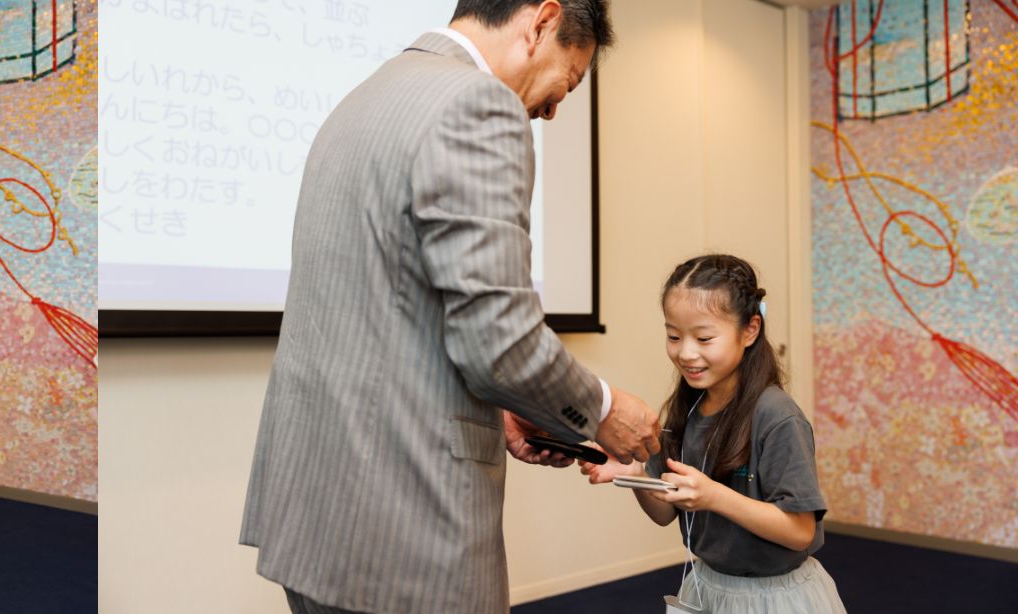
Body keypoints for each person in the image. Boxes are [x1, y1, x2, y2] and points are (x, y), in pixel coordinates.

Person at [238, 1, 661, 612]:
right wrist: (603, 408)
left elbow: (394, 310)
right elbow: (502, 343)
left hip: (314, 512)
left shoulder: (363, 98)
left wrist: (506, 406)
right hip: (403, 526)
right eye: (565, 82)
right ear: (541, 21)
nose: (550, 110)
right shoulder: (479, 105)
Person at [578, 254, 846, 612]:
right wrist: (636, 476)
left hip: (775, 598)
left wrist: (714, 496)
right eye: (674, 336)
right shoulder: (684, 410)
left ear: (750, 330)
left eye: (704, 338)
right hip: (708, 587)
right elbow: (664, 514)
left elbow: (800, 532)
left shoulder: (777, 417)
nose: (686, 353)